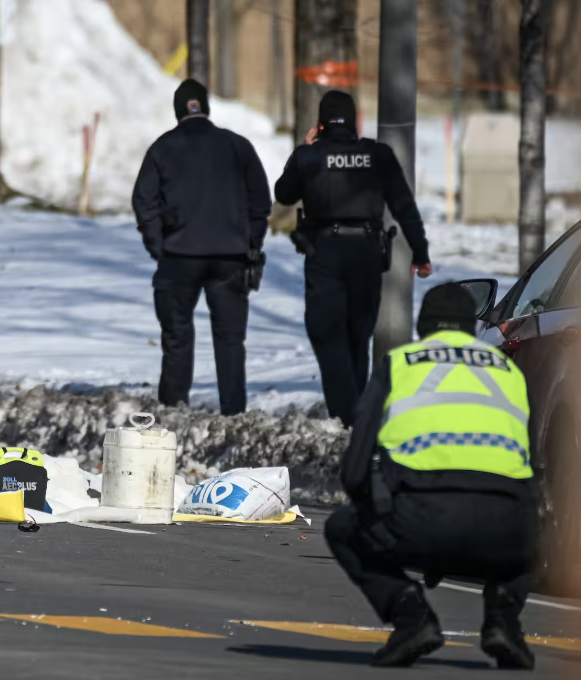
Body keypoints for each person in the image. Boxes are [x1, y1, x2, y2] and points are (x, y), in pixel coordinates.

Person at [325, 283, 538, 669]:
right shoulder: (508, 369)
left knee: (341, 528)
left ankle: (412, 617)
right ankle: (504, 621)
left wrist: (374, 509)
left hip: (417, 520)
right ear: (470, 326)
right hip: (502, 530)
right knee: (535, 531)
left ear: (423, 325)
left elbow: (355, 468)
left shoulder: (401, 363)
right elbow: (531, 463)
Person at [275, 90, 433, 426]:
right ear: (355, 122)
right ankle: (355, 416)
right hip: (367, 252)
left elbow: (284, 194)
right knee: (357, 336)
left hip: (324, 252)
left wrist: (304, 150)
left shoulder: (309, 156)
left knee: (326, 332)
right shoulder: (378, 155)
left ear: (321, 124)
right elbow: (404, 206)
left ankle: (348, 416)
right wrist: (420, 252)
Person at [132, 78, 272, 416]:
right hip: (231, 258)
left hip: (179, 258)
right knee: (230, 340)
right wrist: (249, 244)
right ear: (206, 108)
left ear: (177, 111)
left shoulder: (162, 148)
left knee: (177, 338)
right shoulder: (237, 146)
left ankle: (173, 410)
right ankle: (233, 413)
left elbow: (143, 202)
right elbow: (260, 201)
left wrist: (159, 247)